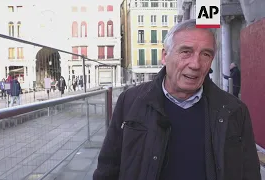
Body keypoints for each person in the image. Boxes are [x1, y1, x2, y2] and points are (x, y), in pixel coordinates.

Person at [93, 19, 261, 180]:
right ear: (165, 56)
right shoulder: (130, 101)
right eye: (186, 52)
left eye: (206, 54)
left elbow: (249, 173)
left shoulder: (234, 110)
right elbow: (108, 167)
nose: (195, 64)